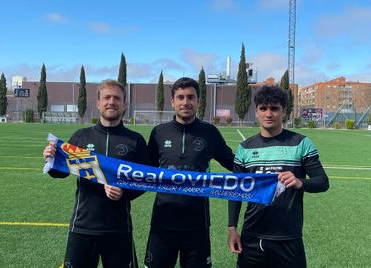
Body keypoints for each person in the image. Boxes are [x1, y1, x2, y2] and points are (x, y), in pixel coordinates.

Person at [43, 79, 148, 268]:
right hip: (83, 226)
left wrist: (124, 193)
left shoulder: (135, 141)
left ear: (124, 104)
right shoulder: (81, 136)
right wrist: (51, 159)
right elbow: (61, 173)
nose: (112, 102)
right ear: (98, 103)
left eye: (117, 98)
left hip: (119, 229)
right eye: (106, 97)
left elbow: (143, 182)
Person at [227, 86, 329, 268]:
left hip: (288, 236)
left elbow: (322, 182)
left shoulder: (301, 143)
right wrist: (232, 228)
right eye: (263, 108)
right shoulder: (245, 148)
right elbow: (236, 191)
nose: (268, 114)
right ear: (256, 111)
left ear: (284, 111)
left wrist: (299, 182)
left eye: (274, 108)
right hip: (252, 235)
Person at [144, 77, 234, 268]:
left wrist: (264, 174)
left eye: (191, 97)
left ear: (198, 101)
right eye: (180, 97)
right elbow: (142, 171)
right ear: (172, 101)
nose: (185, 102)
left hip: (197, 225)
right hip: (162, 223)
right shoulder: (159, 133)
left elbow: (233, 163)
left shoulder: (209, 132)